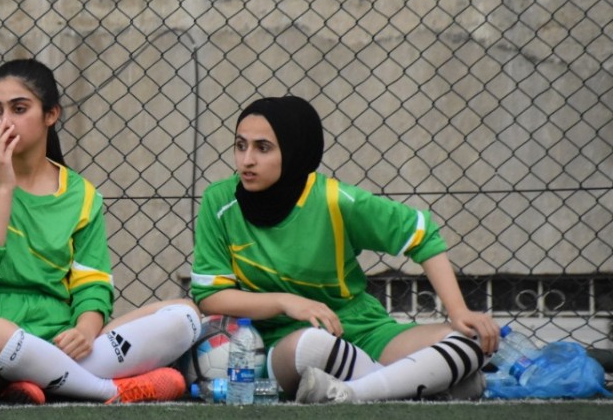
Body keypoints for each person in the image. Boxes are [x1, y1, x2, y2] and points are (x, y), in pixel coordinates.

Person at [191, 95, 501, 403]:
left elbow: (421, 234)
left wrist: (458, 311)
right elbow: (210, 296)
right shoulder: (219, 202)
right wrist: (286, 302)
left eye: (263, 148)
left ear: (295, 150)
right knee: (312, 346)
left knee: (470, 341)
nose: (246, 160)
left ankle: (354, 392)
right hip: (281, 341)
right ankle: (422, 380)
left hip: (362, 330)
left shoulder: (334, 199)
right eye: (240, 145)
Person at [0, 59, 198, 404]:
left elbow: (92, 286)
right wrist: (3, 188)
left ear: (51, 115)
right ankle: (108, 390)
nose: (4, 122)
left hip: (56, 341)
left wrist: (85, 331)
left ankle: (42, 381)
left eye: (19, 109)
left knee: (184, 315)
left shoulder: (82, 194)